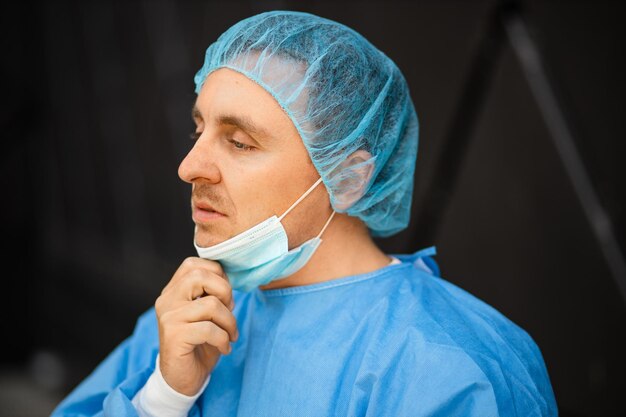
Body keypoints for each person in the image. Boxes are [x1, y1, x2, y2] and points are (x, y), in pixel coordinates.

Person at [51, 10, 557, 417]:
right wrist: (163, 399)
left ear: (349, 177)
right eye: (197, 129)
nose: (189, 167)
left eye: (240, 142)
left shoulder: (453, 369)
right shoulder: (191, 316)